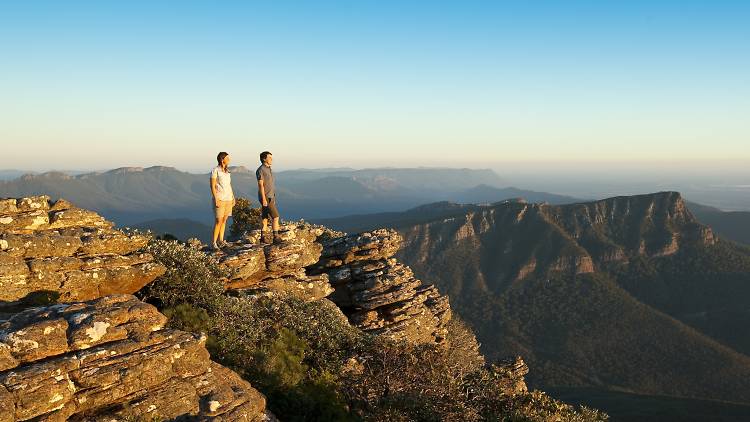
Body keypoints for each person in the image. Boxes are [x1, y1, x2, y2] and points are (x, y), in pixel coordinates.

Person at [210, 151, 235, 250]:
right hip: (220, 198)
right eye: (227, 158)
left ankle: (221, 241)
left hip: (228, 199)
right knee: (218, 221)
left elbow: (229, 185)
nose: (229, 160)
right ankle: (214, 243)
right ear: (222, 159)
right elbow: (212, 185)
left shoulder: (227, 172)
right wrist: (216, 198)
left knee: (224, 220)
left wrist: (233, 197)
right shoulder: (215, 170)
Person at [256, 151, 281, 244]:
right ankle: (276, 237)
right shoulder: (261, 170)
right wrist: (263, 198)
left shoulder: (269, 168)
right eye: (269, 157)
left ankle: (262, 238)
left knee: (265, 217)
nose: (271, 159)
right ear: (264, 159)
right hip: (266, 197)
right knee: (276, 217)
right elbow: (261, 185)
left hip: (270, 196)